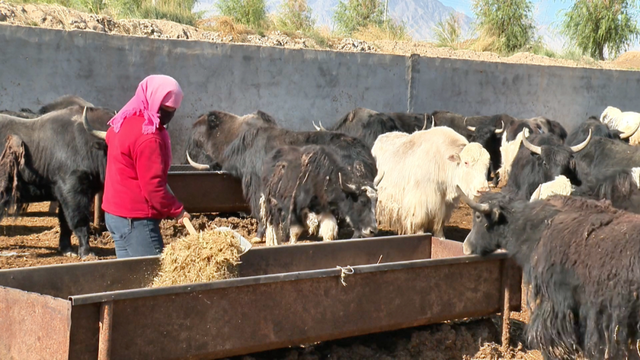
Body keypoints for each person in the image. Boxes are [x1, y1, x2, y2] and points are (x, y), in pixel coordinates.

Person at [102, 74, 191, 258]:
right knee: (152, 279)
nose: (168, 115)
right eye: (165, 108)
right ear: (153, 101)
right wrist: (178, 211)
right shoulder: (150, 137)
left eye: (173, 110)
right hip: (136, 220)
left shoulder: (122, 121)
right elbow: (153, 187)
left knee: (131, 278)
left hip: (114, 215)